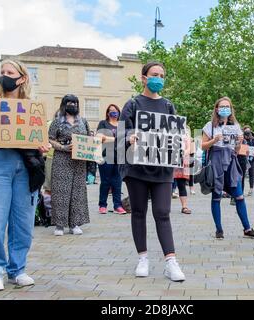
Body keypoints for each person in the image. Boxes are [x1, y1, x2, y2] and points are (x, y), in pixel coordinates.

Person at [0, 59, 49, 291]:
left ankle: (18, 269)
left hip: (25, 167)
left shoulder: (31, 107)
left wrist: (41, 146)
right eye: (2, 72)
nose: (4, 75)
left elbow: (36, 138)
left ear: (22, 78)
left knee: (23, 221)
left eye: (10, 72)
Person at [120, 61, 185, 282]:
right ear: (144, 78)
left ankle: (171, 261)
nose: (158, 78)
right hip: (136, 168)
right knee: (138, 212)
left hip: (162, 169)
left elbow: (176, 133)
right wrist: (129, 136)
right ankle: (143, 258)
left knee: (162, 212)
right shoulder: (132, 104)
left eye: (162, 75)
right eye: (154, 74)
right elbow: (122, 130)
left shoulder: (168, 106)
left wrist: (183, 142)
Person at [201, 97, 254, 240]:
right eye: (222, 106)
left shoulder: (235, 125)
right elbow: (202, 146)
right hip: (216, 160)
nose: (224, 109)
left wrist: (239, 143)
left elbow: (237, 150)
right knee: (216, 196)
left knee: (239, 195)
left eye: (227, 106)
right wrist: (214, 140)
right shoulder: (210, 126)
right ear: (216, 109)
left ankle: (247, 228)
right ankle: (219, 229)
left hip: (231, 161)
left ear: (231, 109)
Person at [49, 94, 91, 236]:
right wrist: (62, 147)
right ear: (64, 104)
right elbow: (50, 140)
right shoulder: (57, 122)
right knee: (61, 191)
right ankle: (59, 225)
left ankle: (75, 224)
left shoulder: (83, 121)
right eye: (69, 102)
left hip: (79, 161)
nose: (72, 105)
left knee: (77, 192)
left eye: (75, 102)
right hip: (61, 158)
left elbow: (89, 140)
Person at [96, 104, 127, 214]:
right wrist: (115, 139)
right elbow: (99, 137)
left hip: (119, 156)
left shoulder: (122, 125)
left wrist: (109, 138)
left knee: (117, 182)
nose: (114, 112)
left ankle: (117, 205)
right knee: (105, 181)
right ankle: (102, 205)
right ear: (108, 112)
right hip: (106, 156)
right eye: (111, 110)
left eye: (116, 110)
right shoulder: (103, 123)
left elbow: (125, 140)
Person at [173, 126, 192, 214]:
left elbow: (188, 148)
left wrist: (184, 153)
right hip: (169, 161)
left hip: (181, 161)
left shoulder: (185, 133)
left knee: (181, 184)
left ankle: (184, 207)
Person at [243, 126, 254, 196]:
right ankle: (241, 189)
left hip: (252, 159)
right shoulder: (242, 139)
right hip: (244, 159)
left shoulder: (252, 140)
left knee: (251, 174)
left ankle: (251, 189)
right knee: (242, 174)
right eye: (246, 134)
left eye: (248, 134)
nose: (247, 136)